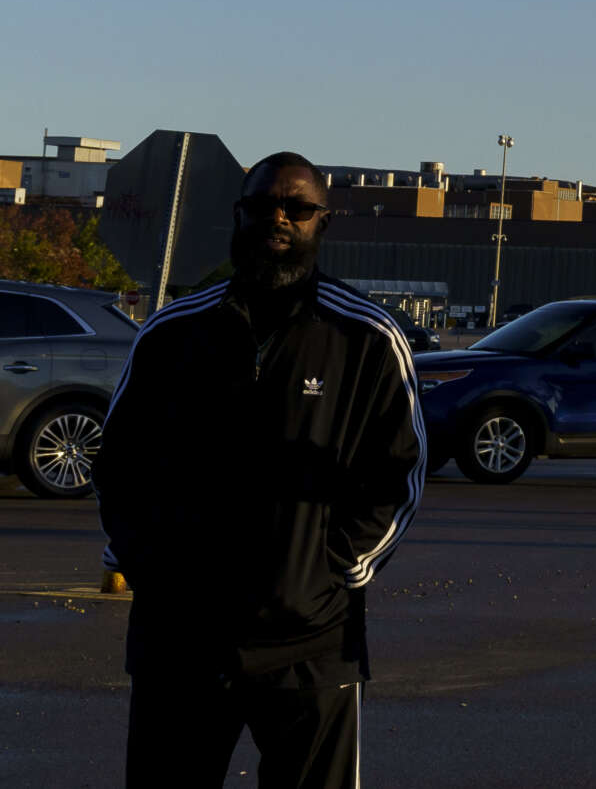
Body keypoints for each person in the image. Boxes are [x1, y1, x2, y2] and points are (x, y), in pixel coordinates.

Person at [95, 151, 427, 788]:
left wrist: (332, 572)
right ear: (237, 215)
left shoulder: (367, 339)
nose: (278, 217)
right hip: (181, 642)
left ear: (321, 222)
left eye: (297, 208)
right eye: (262, 205)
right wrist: (148, 567)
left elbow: (400, 473)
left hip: (311, 645)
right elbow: (120, 466)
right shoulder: (172, 334)